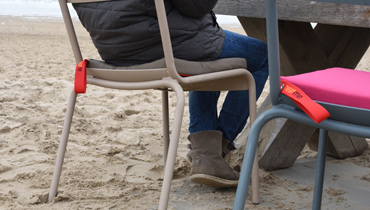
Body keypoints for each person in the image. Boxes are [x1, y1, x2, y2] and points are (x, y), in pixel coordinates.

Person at [73, 0, 268, 188]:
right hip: (166, 47)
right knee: (264, 56)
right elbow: (196, 7)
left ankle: (207, 152)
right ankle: (211, 151)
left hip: (116, 54)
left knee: (207, 60)